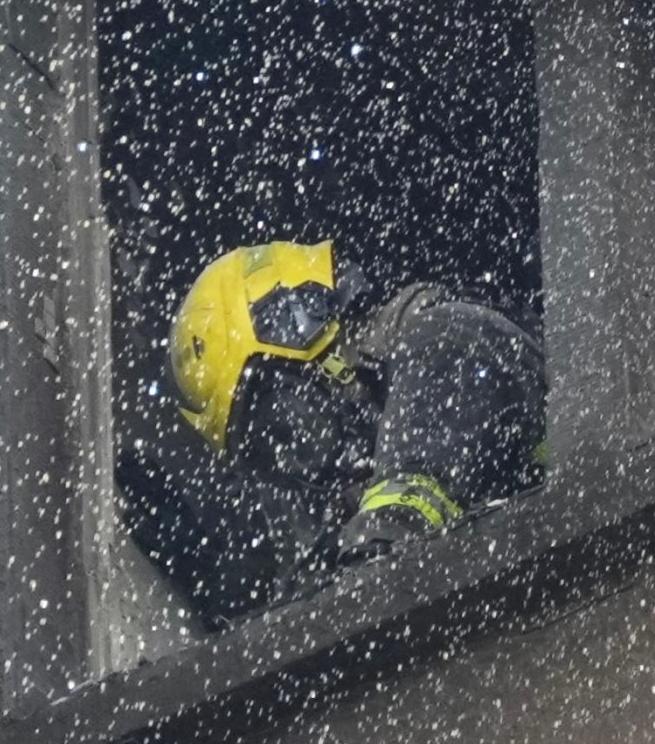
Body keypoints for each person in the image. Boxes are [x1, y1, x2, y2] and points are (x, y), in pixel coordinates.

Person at [168, 240, 544, 573]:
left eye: (287, 423)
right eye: (274, 458)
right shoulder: (346, 507)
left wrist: (391, 522)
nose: (301, 460)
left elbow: (459, 356)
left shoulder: (449, 337)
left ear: (302, 328)